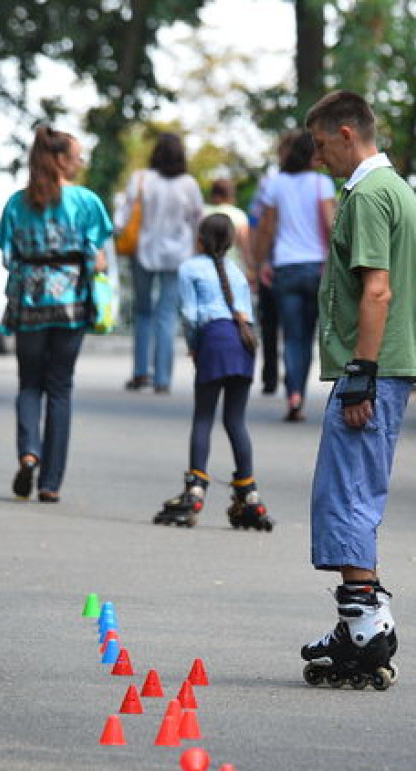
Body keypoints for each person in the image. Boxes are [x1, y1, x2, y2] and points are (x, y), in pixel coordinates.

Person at [297, 91, 416, 691]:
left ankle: (366, 623)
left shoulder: (372, 195)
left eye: (322, 146)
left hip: (373, 367)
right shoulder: (390, 189)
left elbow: (377, 290)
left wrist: (362, 374)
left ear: (347, 134)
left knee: (347, 490)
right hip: (379, 365)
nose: (319, 158)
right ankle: (357, 620)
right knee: (348, 487)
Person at [0, 125, 112, 503]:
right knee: (60, 387)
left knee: (29, 383)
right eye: (77, 156)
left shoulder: (17, 204)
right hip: (71, 304)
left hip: (28, 303)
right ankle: (50, 482)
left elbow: (7, 255)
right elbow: (97, 256)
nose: (80, 162)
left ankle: (29, 450)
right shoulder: (85, 202)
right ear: (61, 160)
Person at [152, 213, 273, 532]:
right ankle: (248, 492)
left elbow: (191, 315)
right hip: (244, 340)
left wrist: (194, 347)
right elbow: (248, 313)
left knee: (203, 417)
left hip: (216, 339)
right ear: (231, 241)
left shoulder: (190, 268)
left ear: (201, 239)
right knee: (235, 419)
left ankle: (195, 488)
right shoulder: (235, 271)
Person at [253, 129, 336, 422]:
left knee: (291, 335)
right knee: (308, 335)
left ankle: (292, 394)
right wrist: (334, 260)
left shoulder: (276, 184)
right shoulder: (321, 183)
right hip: (316, 268)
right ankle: (298, 389)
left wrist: (261, 262)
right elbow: (330, 223)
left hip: (285, 268)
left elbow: (266, 227)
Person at [117, 132, 203, 394]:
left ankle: (141, 372)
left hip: (143, 252)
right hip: (178, 256)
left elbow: (123, 217)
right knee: (167, 315)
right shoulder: (188, 184)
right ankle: (163, 378)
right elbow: (197, 219)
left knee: (143, 312)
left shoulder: (142, 179)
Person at [247, 132, 294, 396]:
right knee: (294, 326)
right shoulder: (319, 184)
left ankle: (270, 377)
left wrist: (256, 260)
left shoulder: (269, 184)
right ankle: (293, 379)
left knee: (270, 323)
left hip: (273, 261)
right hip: (301, 264)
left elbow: (257, 223)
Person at [203, 178, 253, 279]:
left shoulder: (202, 213)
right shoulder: (238, 215)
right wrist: (250, 268)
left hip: (205, 269)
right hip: (233, 268)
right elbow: (244, 246)